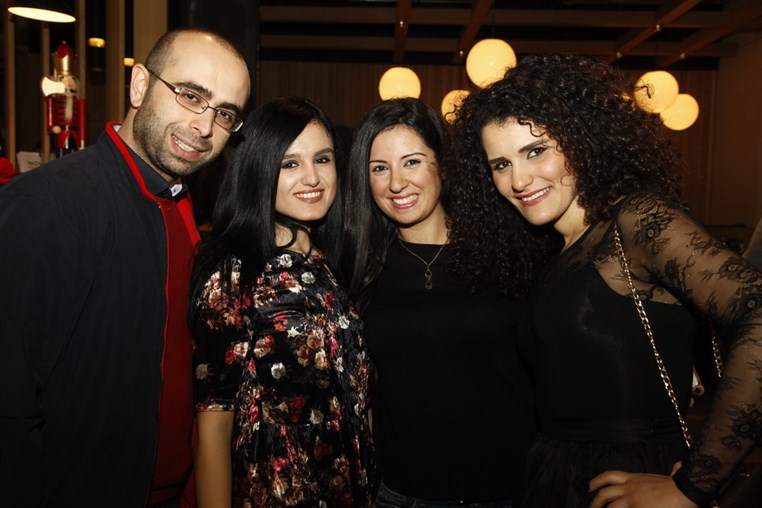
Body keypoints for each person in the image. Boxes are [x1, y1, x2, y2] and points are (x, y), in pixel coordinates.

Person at [451, 54, 762, 507]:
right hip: (556, 477)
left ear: (580, 140)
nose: (519, 179)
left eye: (535, 151)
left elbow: (757, 311)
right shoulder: (550, 251)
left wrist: (694, 485)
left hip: (629, 483)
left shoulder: (635, 221)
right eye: (500, 164)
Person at [0, 28, 250, 507]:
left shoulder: (180, 207)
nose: (204, 126)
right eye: (190, 94)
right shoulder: (49, 205)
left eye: (224, 113)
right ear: (140, 86)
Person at [344, 98, 536, 507]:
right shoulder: (361, 269)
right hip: (401, 495)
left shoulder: (506, 252)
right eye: (379, 168)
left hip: (507, 493)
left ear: (443, 166)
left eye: (412, 162)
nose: (397, 183)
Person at [190, 97, 374, 507]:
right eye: (290, 164)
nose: (313, 177)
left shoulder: (332, 263)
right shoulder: (234, 274)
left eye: (322, 159)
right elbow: (213, 428)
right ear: (259, 170)